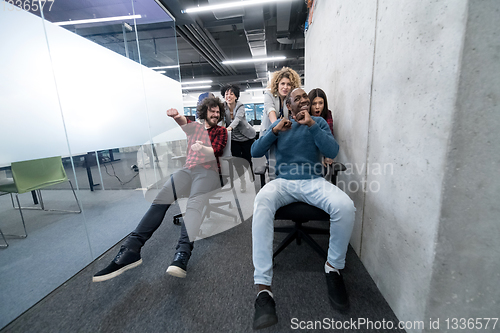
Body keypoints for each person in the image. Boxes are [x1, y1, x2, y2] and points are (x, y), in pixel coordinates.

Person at [250, 88, 355, 330]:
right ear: (288, 105)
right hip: (283, 183)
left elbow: (332, 151)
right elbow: (255, 152)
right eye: (298, 99)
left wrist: (312, 126)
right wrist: (274, 130)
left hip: (313, 182)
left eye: (305, 98)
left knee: (345, 206)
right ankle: (263, 289)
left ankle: (333, 268)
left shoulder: (317, 122)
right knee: (262, 201)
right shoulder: (279, 123)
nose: (304, 101)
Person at [93, 96, 228, 282]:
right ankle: (131, 249)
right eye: (212, 111)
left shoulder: (221, 131)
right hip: (188, 170)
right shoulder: (195, 128)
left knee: (194, 206)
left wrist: (202, 147)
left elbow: (215, 151)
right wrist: (176, 116)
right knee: (160, 201)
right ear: (205, 112)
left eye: (218, 112)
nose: (215, 114)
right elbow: (183, 121)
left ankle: (182, 253)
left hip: (208, 172)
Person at [221, 84, 256, 192]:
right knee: (237, 162)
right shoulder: (222, 107)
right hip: (233, 139)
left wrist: (229, 128)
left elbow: (238, 119)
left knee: (247, 159)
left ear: (236, 96)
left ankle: (250, 172)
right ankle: (242, 182)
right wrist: (221, 129)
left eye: (231, 94)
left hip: (246, 137)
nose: (229, 96)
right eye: (226, 94)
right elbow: (220, 120)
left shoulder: (240, 106)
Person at [261, 67, 301, 136]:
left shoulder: (290, 99)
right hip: (268, 132)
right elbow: (270, 110)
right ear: (277, 84)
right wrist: (277, 126)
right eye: (282, 83)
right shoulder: (269, 94)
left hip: (283, 134)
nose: (285, 87)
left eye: (289, 84)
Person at [308, 88, 334, 166]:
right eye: (314, 104)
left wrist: (327, 156)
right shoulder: (305, 117)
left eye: (320, 103)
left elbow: (329, 137)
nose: (317, 107)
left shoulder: (327, 115)